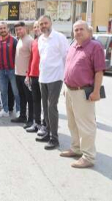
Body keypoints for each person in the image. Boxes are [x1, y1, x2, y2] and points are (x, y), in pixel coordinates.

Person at [62, 20, 105, 168]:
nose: (78, 32)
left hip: (83, 92)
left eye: (81, 29)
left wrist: (96, 92)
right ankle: (76, 148)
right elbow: (68, 67)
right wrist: (65, 87)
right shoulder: (73, 45)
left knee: (86, 126)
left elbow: (99, 71)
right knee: (72, 123)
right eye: (76, 30)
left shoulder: (95, 47)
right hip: (69, 90)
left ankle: (88, 157)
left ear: (88, 31)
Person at [36, 15, 69, 150]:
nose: (43, 26)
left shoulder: (59, 37)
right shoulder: (40, 39)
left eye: (45, 23)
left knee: (51, 108)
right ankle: (48, 132)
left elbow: (66, 58)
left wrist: (65, 79)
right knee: (45, 107)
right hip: (43, 77)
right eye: (41, 24)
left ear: (51, 23)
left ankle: (54, 139)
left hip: (55, 78)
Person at [0, 22, 20, 118]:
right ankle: (5, 110)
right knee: (3, 92)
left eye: (4, 28)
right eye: (1, 28)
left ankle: (19, 111)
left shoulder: (14, 40)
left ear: (8, 29)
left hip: (13, 70)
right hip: (1, 70)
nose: (2, 30)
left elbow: (18, 55)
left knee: (16, 92)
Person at [12, 22, 34, 128]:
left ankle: (31, 119)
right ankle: (22, 116)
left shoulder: (29, 40)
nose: (18, 31)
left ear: (25, 28)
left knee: (29, 98)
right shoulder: (20, 40)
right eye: (16, 30)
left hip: (26, 75)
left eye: (20, 29)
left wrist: (29, 74)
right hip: (18, 73)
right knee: (21, 97)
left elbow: (33, 58)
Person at [25, 21, 45, 134]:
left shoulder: (47, 42)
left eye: (38, 26)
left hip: (44, 76)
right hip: (33, 75)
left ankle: (45, 125)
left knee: (45, 103)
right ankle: (36, 123)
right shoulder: (34, 42)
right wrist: (28, 74)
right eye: (35, 27)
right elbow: (31, 59)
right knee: (35, 101)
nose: (36, 29)